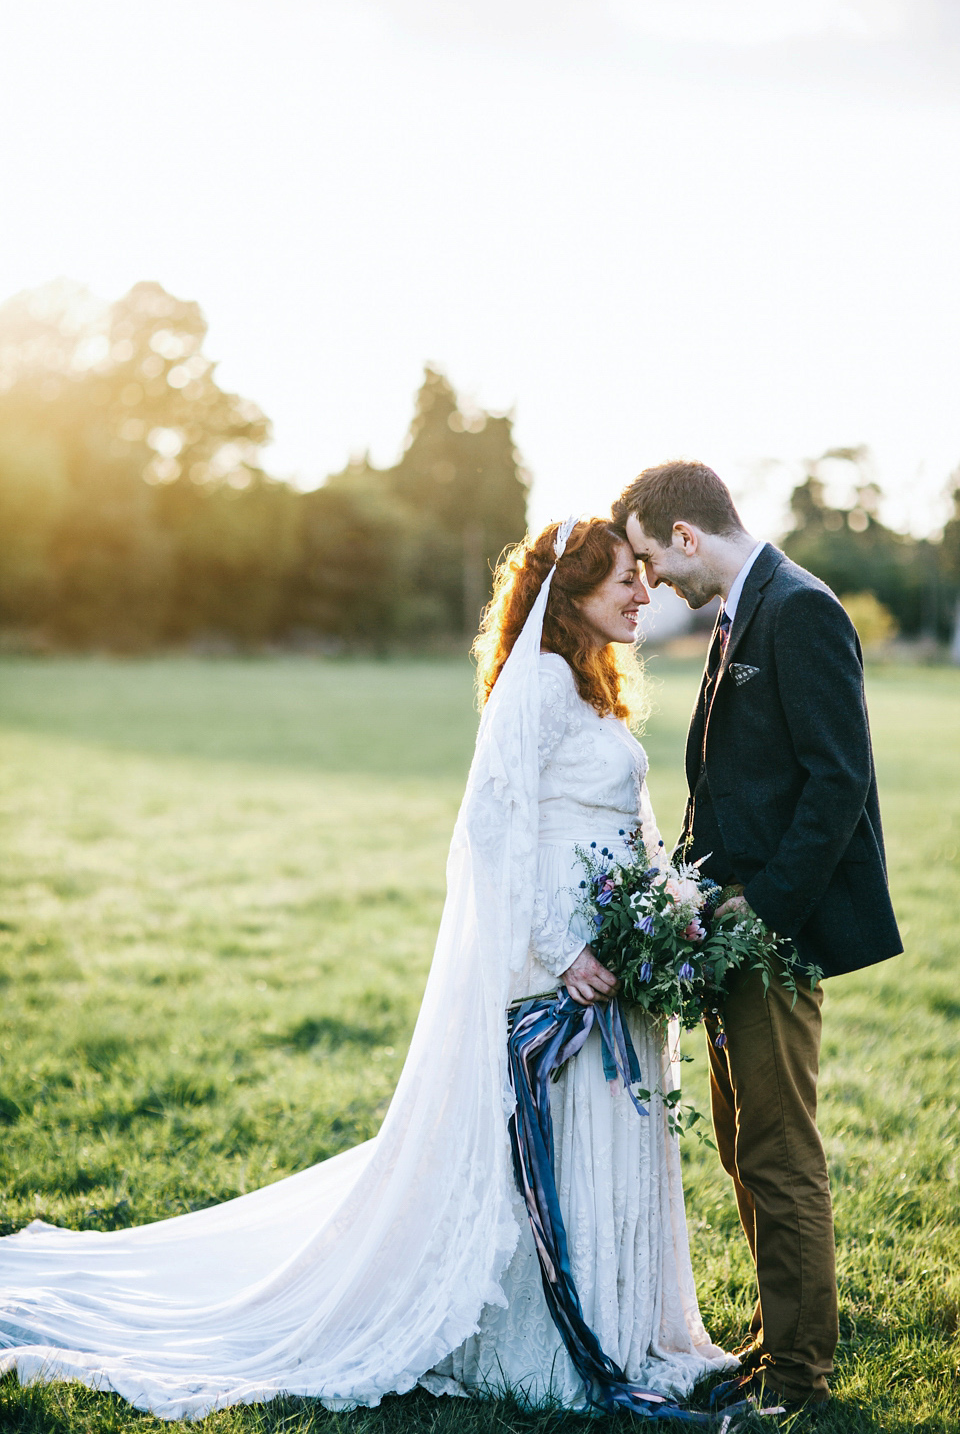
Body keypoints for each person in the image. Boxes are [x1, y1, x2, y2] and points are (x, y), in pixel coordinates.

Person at [0, 517, 730, 1419]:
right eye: (625, 579)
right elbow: (491, 830)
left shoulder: (590, 687)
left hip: (612, 958)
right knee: (553, 1145)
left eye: (643, 579)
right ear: (572, 592)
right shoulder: (539, 682)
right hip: (561, 967)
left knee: (609, 1141)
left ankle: (630, 1331)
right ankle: (553, 1343)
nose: (642, 594)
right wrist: (564, 948)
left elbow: (623, 826)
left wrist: (662, 919)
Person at [613, 462, 903, 1413]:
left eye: (653, 560)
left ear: (686, 536)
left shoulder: (801, 611)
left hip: (776, 933)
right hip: (728, 932)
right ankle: (777, 1343)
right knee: (741, 1142)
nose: (653, 583)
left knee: (780, 1153)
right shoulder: (743, 611)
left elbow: (838, 783)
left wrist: (762, 908)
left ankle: (798, 1379)